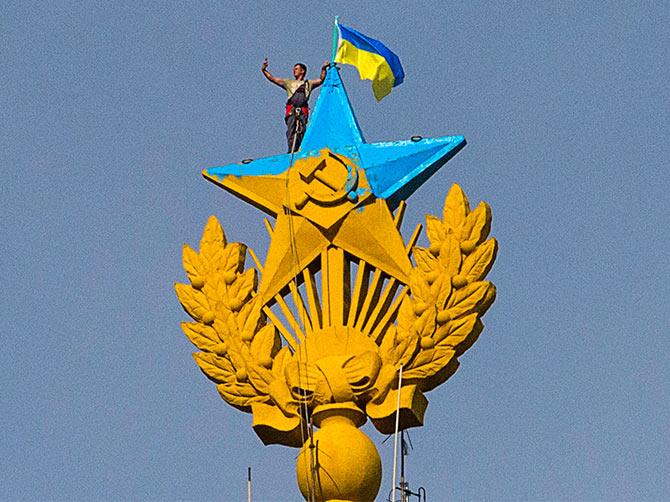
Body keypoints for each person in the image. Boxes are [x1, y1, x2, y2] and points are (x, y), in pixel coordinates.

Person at [261, 58, 329, 153]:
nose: (294, 71)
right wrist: (264, 70)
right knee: (291, 132)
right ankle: (291, 151)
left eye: (296, 69)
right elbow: (273, 79)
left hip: (302, 113)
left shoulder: (308, 83)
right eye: (294, 69)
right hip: (292, 112)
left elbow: (321, 79)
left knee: (301, 133)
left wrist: (323, 69)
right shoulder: (289, 83)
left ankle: (300, 151)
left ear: (302, 71)